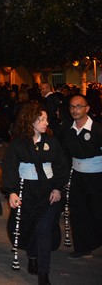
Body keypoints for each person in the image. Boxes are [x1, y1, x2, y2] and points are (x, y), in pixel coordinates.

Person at [2, 102, 69, 285]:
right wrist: (12, 192)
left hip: (48, 193)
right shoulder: (18, 144)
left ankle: (43, 273)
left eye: (46, 119)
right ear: (30, 121)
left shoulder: (52, 142)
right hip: (27, 192)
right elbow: (10, 169)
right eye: (41, 119)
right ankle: (32, 254)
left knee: (44, 229)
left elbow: (62, 166)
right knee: (29, 227)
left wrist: (58, 187)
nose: (46, 122)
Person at [58, 94, 102, 260]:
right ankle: (83, 248)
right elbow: (64, 155)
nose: (75, 110)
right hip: (77, 176)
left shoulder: (97, 129)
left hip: (97, 177)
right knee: (78, 213)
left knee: (97, 212)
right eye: (72, 106)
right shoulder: (67, 129)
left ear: (87, 109)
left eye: (79, 106)